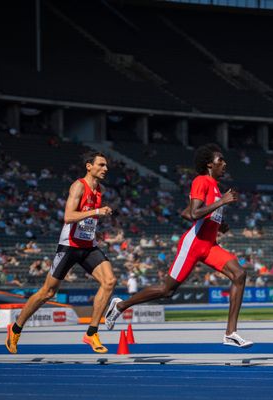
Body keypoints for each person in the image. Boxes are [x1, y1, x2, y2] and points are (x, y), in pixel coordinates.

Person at [104, 144, 253, 347]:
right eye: (220, 160)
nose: (224, 164)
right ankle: (121, 305)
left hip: (209, 246)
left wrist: (218, 223)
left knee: (239, 274)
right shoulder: (201, 180)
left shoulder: (215, 187)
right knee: (167, 290)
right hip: (193, 244)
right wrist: (222, 203)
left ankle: (230, 333)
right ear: (209, 164)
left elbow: (185, 213)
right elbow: (193, 214)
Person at [6, 152, 117, 354]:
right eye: (101, 165)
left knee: (109, 281)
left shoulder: (99, 189)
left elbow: (87, 220)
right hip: (69, 246)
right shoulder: (78, 186)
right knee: (48, 292)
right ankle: (16, 328)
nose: (105, 168)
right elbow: (68, 216)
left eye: (106, 165)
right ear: (89, 166)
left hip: (88, 246)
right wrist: (97, 212)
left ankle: (92, 333)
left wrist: (95, 220)